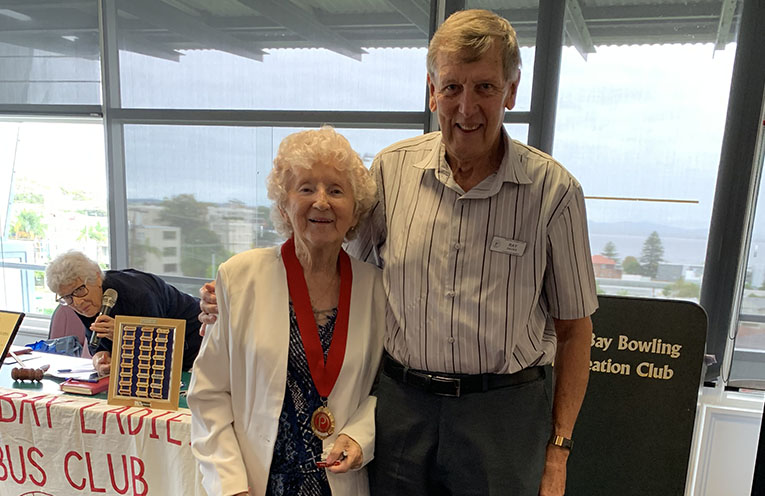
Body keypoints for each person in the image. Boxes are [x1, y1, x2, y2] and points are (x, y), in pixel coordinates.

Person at [200, 9, 598, 496]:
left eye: (485, 87)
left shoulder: (554, 192)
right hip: (403, 408)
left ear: (511, 91)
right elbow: (331, 254)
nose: (466, 107)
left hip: (503, 415)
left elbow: (575, 331)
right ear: (432, 91)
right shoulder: (392, 171)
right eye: (451, 87)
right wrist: (236, 298)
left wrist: (559, 451)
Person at [187, 126, 384, 496]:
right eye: (306, 188)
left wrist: (362, 436)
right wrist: (228, 484)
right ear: (283, 204)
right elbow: (208, 394)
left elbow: (386, 388)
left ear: (354, 209)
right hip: (256, 483)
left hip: (339, 481)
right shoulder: (239, 277)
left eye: (336, 190)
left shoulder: (377, 288)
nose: (321, 202)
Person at [45, 251, 203, 375]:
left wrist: (126, 335)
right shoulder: (80, 299)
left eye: (79, 290)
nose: (77, 303)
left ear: (97, 278)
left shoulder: (138, 294)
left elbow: (161, 349)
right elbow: (96, 344)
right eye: (67, 297)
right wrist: (100, 358)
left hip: (196, 340)